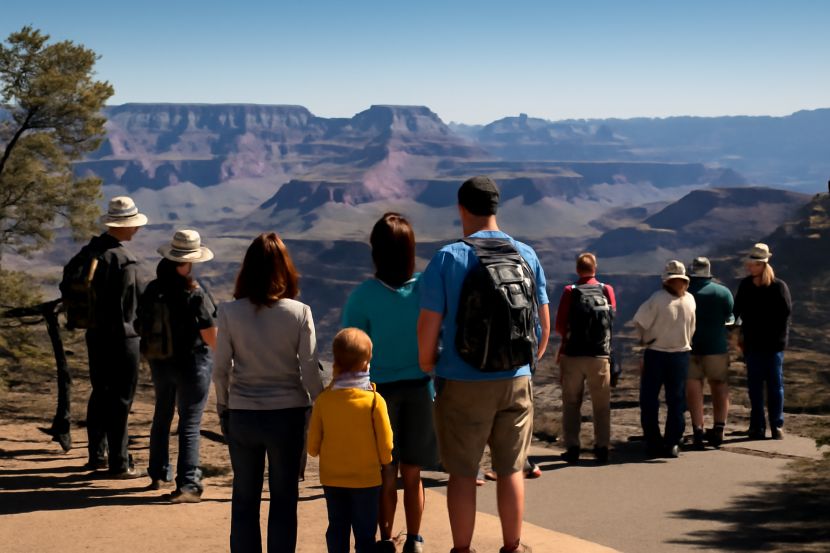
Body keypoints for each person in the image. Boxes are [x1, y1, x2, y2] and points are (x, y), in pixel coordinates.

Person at [418, 176, 550, 553]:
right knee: (510, 469)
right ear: (496, 208)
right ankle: (512, 546)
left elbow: (428, 326)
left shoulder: (448, 258)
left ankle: (462, 549)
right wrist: (524, 364)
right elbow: (543, 326)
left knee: (461, 473)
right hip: (516, 379)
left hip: (462, 380)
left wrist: (431, 365)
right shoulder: (526, 254)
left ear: (461, 208)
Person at [213, 232, 324, 553]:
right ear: (286, 269)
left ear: (247, 269)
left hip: (243, 415)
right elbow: (309, 368)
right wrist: (320, 405)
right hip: (288, 417)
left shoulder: (230, 312)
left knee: (244, 499)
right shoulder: (300, 312)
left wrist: (224, 409)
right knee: (284, 500)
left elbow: (220, 369)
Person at [341, 213, 436, 553]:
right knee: (414, 472)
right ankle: (415, 539)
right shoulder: (427, 287)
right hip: (422, 388)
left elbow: (350, 348)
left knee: (385, 472)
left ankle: (385, 539)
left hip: (377, 393)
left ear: (376, 251)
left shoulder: (363, 295)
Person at [74, 196, 147, 477]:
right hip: (123, 337)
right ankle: (120, 462)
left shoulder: (90, 251)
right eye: (134, 225)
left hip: (95, 333)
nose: (137, 229)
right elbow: (130, 308)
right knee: (121, 399)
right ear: (126, 226)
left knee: (100, 392)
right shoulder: (123, 260)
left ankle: (97, 454)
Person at [143, 230, 218, 502]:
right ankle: (187, 484)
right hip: (192, 364)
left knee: (162, 414)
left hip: (161, 361)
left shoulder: (153, 288)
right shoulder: (193, 291)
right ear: (186, 262)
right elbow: (209, 331)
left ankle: (158, 473)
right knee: (190, 422)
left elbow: (141, 324)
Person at [307, 328, 394, 553]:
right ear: (366, 363)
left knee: (337, 527)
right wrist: (385, 462)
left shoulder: (324, 400)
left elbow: (313, 446)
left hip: (332, 479)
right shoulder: (375, 401)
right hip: (367, 481)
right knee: (365, 533)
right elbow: (386, 446)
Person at [554, 252, 616, 464]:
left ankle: (572, 447)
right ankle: (602, 447)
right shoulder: (606, 290)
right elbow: (611, 318)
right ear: (595, 268)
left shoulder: (570, 291)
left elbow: (560, 325)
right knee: (601, 404)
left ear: (578, 270)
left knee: (571, 403)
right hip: (599, 356)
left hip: (573, 356)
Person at [633, 260, 696, 459]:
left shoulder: (657, 299)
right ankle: (673, 442)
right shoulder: (690, 300)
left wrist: (644, 339)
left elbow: (639, 321)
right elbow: (692, 328)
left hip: (657, 353)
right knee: (676, 400)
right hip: (681, 354)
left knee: (650, 399)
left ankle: (653, 441)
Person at [733, 243, 792, 440]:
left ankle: (776, 425)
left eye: (753, 264)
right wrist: (735, 331)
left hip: (773, 345)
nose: (749, 267)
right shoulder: (746, 285)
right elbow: (736, 311)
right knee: (755, 388)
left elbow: (784, 314)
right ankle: (757, 426)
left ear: (762, 265)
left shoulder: (779, 287)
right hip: (752, 345)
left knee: (775, 386)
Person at [686, 257, 734, 449]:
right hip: (716, 348)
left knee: (693, 389)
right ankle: (719, 429)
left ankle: (698, 430)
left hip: (690, 348)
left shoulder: (684, 292)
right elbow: (730, 317)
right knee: (719, 386)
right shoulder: (722, 292)